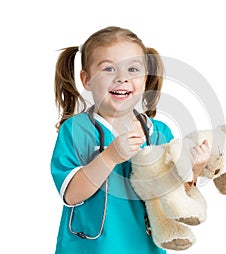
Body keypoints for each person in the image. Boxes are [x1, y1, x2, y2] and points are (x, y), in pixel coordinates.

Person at [51, 26, 210, 254]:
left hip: (144, 248)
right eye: (108, 69)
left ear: (145, 78)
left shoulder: (159, 133)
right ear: (86, 80)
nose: (122, 78)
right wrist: (111, 156)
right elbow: (71, 194)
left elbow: (172, 196)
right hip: (90, 248)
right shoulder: (77, 130)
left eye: (133, 69)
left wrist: (193, 171)